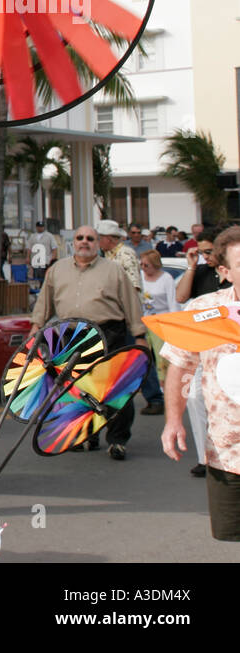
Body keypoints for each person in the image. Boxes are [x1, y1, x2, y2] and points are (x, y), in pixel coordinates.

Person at [30, 225, 148, 460]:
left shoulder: (114, 271)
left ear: (98, 243)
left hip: (108, 332)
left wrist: (139, 335)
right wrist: (36, 328)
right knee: (77, 389)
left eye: (90, 238)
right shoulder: (57, 270)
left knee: (114, 389)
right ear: (73, 242)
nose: (85, 242)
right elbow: (45, 302)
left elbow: (131, 303)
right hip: (71, 335)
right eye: (80, 238)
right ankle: (86, 437)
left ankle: (117, 440)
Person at [160, 224, 240, 540]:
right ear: (225, 271)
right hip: (227, 452)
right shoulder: (203, 310)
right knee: (231, 536)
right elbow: (179, 369)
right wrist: (173, 421)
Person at [138, 250, 175, 416]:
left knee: (162, 361)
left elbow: (173, 303)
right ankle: (151, 390)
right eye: (142, 264)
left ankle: (167, 393)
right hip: (144, 322)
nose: (144, 268)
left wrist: (173, 326)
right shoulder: (139, 276)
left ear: (156, 265)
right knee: (145, 357)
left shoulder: (166, 278)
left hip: (162, 322)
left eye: (147, 265)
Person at [175, 228, 226, 304]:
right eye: (200, 252)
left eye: (208, 252)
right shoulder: (200, 271)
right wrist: (191, 266)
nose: (205, 256)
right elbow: (180, 298)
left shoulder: (235, 271)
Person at [98, 219, 141, 292]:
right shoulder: (106, 254)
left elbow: (133, 286)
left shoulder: (126, 254)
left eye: (99, 238)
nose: (97, 241)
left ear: (108, 239)